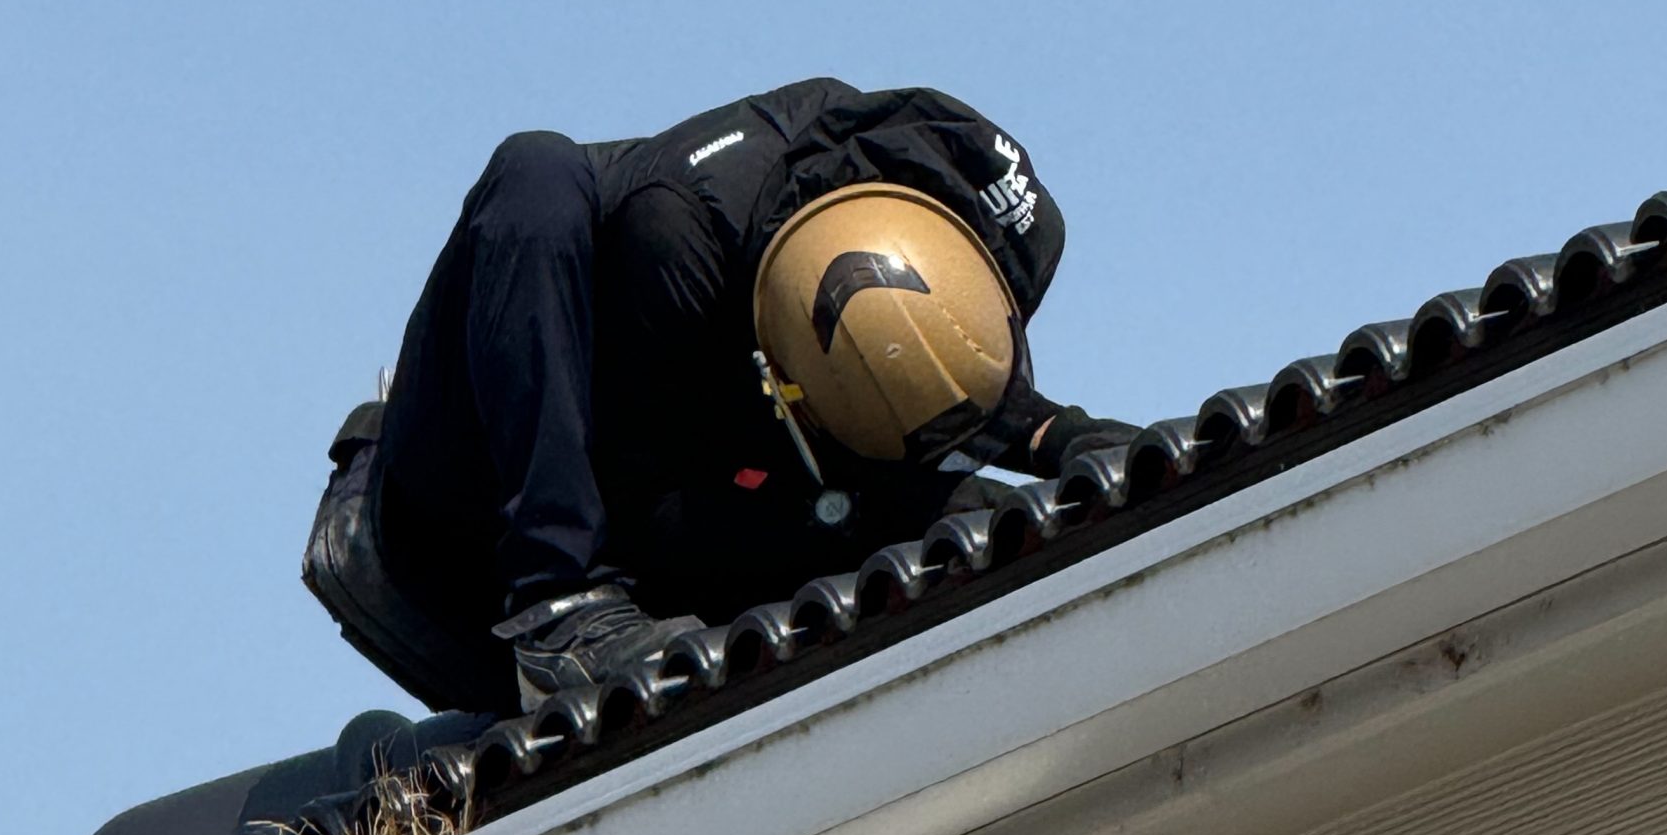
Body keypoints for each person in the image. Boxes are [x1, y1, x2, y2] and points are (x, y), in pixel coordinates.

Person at [337, 79, 1136, 708]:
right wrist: (898, 506)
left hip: (701, 476)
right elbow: (658, 514)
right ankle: (558, 610)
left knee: (963, 513)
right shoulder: (676, 238)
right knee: (534, 168)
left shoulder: (935, 195)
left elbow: (917, 345)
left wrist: (1059, 436)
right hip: (474, 494)